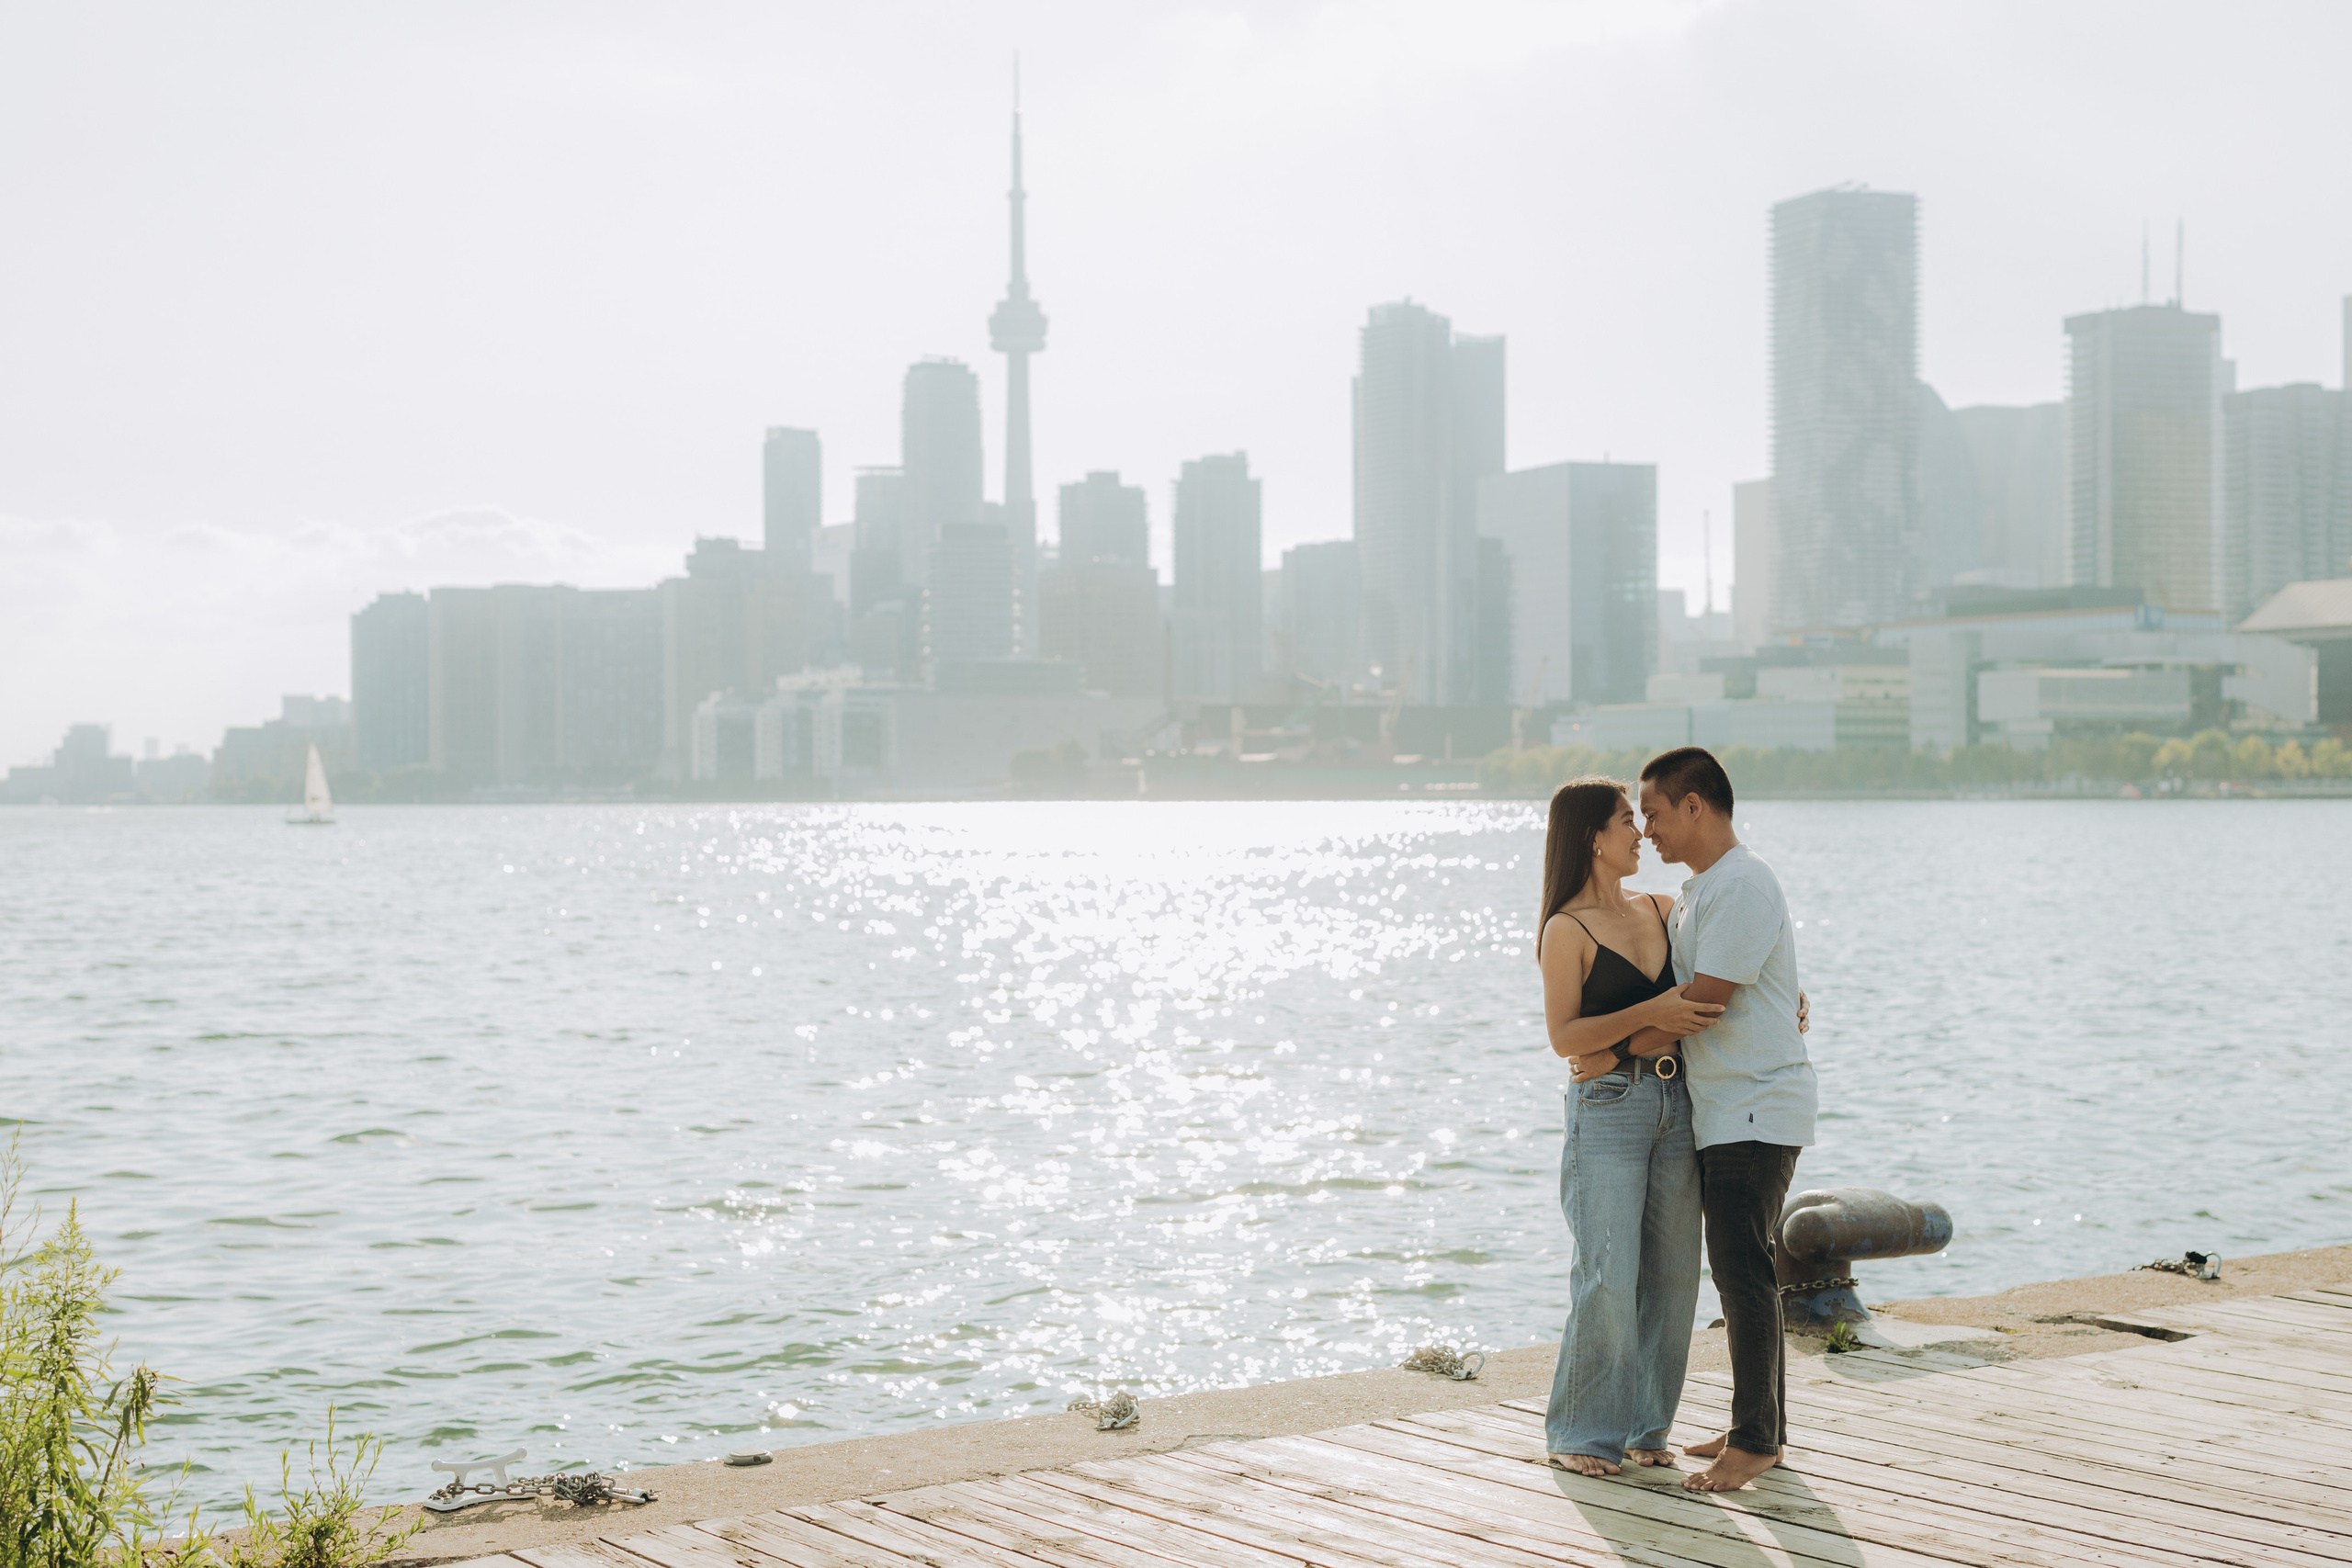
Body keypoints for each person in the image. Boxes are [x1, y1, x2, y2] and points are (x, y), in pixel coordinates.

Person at [1631, 745, 1816, 1494]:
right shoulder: (1705, 888)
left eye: (1653, 813)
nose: (1647, 829)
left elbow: (1705, 1001)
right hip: (1730, 1107)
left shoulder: (1741, 883)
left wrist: (1612, 1046)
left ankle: (1756, 1440)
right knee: (1744, 1269)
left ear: (1694, 804)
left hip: (1754, 1106)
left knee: (1743, 1271)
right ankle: (1758, 1425)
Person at [1535, 776, 1727, 1475]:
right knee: (1608, 1275)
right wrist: (1652, 1015)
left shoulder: (1663, 908)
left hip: (1680, 1105)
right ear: (1592, 837)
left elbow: (1721, 978)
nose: (1640, 832)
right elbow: (1565, 1037)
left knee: (1674, 1277)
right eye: (1625, 821)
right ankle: (1582, 1435)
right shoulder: (1566, 929)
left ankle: (1647, 1428)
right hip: (1608, 1110)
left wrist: (1786, 998)